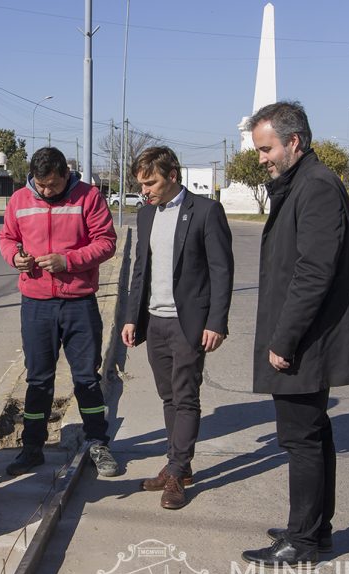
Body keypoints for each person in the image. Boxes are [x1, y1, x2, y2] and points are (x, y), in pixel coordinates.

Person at [241, 101, 349, 567]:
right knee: (313, 435)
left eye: (266, 148)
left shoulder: (316, 186)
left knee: (301, 439)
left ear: (294, 142)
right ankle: (315, 530)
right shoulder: (302, 183)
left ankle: (303, 538)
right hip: (304, 335)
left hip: (306, 340)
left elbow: (314, 272)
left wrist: (284, 339)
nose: (262, 158)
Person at [121, 146, 234, 510]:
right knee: (168, 396)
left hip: (189, 323)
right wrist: (130, 316)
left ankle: (176, 473)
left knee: (185, 396)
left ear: (172, 176)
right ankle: (178, 466)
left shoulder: (205, 211)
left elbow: (221, 270)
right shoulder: (145, 215)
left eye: (150, 182)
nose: (145, 190)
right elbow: (140, 268)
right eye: (141, 184)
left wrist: (217, 322)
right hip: (154, 321)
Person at [0, 146, 118, 476]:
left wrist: (69, 261)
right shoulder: (20, 199)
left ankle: (97, 442)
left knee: (86, 378)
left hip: (79, 302)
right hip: (36, 304)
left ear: (66, 174)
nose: (46, 191)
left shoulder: (88, 197)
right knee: (38, 379)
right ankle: (32, 447)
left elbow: (107, 241)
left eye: (52, 185)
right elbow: (7, 238)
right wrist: (14, 258)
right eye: (41, 185)